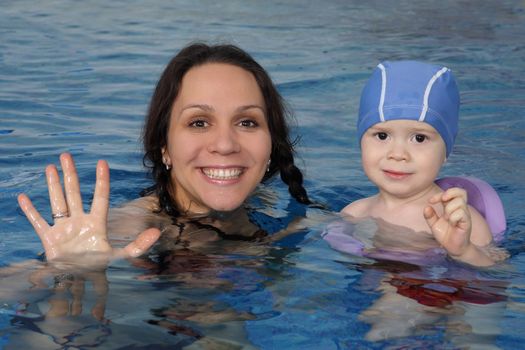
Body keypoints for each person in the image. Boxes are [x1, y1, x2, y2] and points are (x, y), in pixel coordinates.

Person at [16, 42, 311, 264]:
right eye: (198, 122)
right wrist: (63, 269)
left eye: (247, 122)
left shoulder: (268, 204)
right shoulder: (132, 226)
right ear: (164, 147)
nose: (225, 144)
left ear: (271, 144)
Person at [340, 60, 505, 266]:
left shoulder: (459, 221)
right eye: (382, 135)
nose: (398, 154)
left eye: (419, 138)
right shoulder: (354, 213)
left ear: (446, 151)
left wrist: (464, 252)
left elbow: (499, 274)